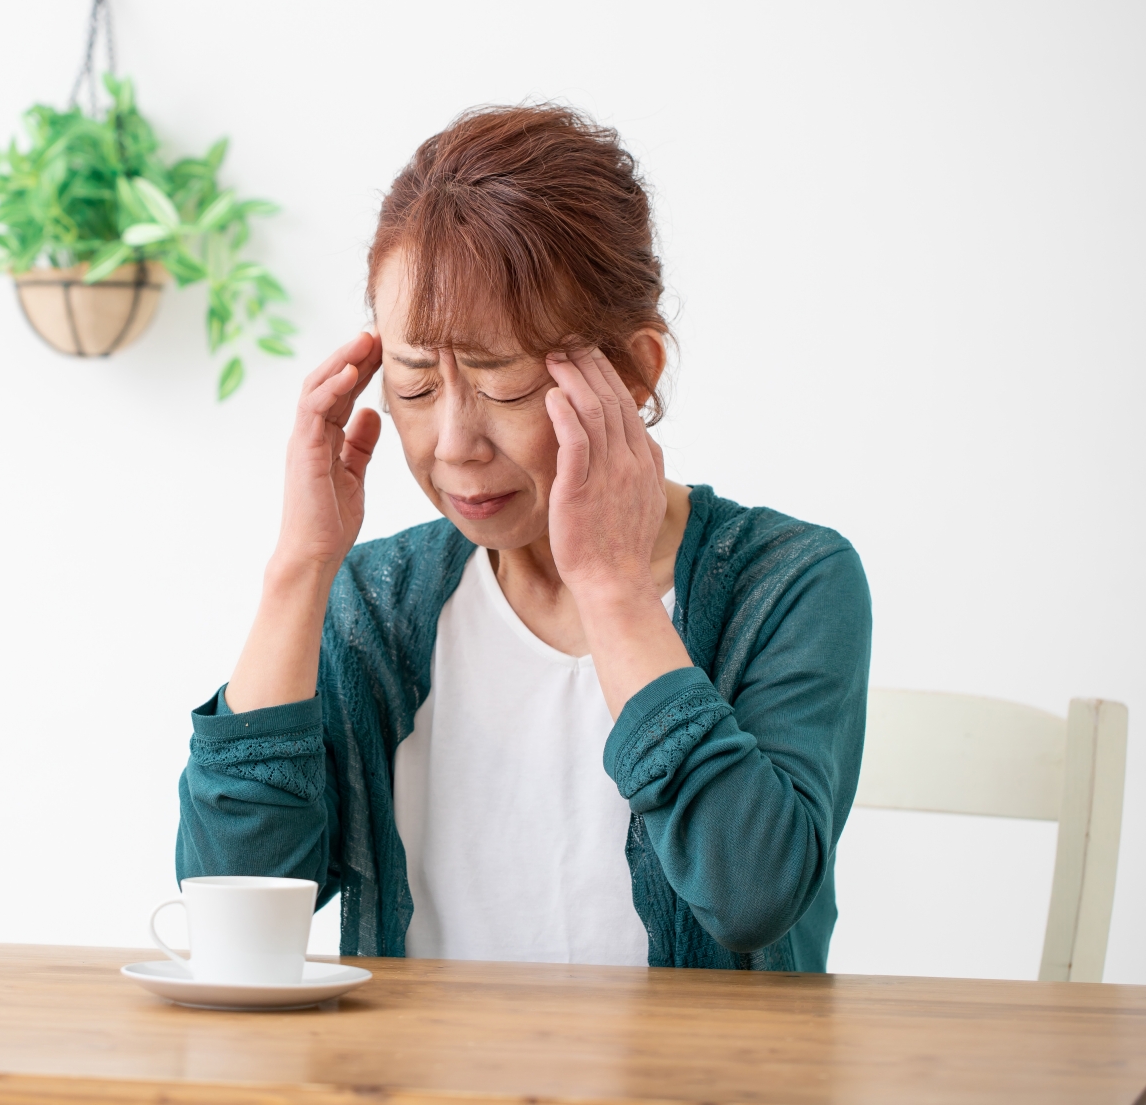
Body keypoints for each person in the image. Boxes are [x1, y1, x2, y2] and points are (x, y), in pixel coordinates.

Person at [176, 105, 871, 971]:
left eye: (504, 386)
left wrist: (612, 586)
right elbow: (230, 900)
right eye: (417, 384)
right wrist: (300, 570)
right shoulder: (382, 602)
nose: (455, 445)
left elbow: (753, 894)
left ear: (637, 371)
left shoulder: (792, 582)